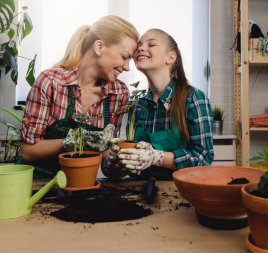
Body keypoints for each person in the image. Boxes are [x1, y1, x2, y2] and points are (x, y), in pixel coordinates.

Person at [19, 15, 139, 179]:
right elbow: (28, 151)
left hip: (81, 184)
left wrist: (120, 162)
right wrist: (72, 141)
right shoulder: (51, 82)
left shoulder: (118, 93)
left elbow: (105, 157)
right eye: (125, 57)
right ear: (99, 47)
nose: (126, 67)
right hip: (37, 182)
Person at [103, 29, 214, 180]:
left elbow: (204, 158)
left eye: (152, 44)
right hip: (141, 193)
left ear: (170, 57)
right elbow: (120, 172)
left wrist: (157, 157)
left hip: (180, 193)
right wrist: (116, 161)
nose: (141, 48)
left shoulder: (193, 98)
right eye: (139, 45)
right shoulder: (138, 105)